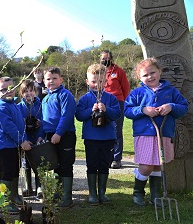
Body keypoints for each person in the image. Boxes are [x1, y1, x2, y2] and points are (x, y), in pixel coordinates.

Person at [124, 57, 188, 206]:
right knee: (146, 165)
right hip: (144, 134)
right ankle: (138, 192)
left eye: (152, 72)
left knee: (159, 164)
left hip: (164, 133)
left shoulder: (171, 91)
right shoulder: (137, 93)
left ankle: (155, 195)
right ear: (139, 77)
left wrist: (172, 106)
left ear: (159, 72)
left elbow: (183, 108)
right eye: (145, 75)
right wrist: (143, 110)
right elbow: (127, 110)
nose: (150, 77)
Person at [75, 64, 121, 205]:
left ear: (106, 81)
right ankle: (92, 194)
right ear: (87, 81)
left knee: (104, 165)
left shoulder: (111, 98)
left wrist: (106, 109)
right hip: (91, 138)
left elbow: (117, 115)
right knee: (92, 165)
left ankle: (102, 193)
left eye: (100, 81)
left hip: (108, 138)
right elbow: (79, 115)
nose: (97, 84)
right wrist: (90, 110)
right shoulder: (84, 99)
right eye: (94, 81)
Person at [0, 77, 32, 213]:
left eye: (10, 89)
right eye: (3, 90)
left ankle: (14, 196)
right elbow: (9, 128)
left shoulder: (13, 104)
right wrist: (21, 141)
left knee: (15, 170)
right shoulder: (0, 106)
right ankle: (4, 202)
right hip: (6, 146)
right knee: (7, 172)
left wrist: (24, 140)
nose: (8, 92)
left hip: (15, 145)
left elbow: (20, 125)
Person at [42, 67, 76, 208]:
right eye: (48, 79)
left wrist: (59, 133)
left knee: (66, 165)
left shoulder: (65, 95)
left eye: (54, 78)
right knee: (56, 165)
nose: (52, 81)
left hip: (64, 135)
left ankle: (67, 198)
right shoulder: (45, 98)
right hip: (50, 136)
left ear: (61, 79)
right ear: (44, 82)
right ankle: (58, 192)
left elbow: (66, 116)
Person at [100, 50, 130, 169]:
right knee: (103, 128)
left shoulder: (119, 71)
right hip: (102, 102)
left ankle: (116, 159)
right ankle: (106, 157)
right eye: (102, 58)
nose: (104, 60)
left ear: (111, 59)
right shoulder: (99, 71)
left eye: (106, 58)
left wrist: (121, 100)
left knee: (117, 130)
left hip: (117, 102)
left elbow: (126, 88)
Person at [17, 79, 44, 198]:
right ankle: (28, 186)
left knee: (38, 163)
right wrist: (24, 139)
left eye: (31, 91)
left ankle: (39, 186)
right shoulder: (18, 107)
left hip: (38, 137)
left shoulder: (41, 105)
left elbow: (45, 121)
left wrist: (40, 136)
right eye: (25, 91)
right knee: (26, 163)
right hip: (26, 138)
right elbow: (18, 125)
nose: (29, 93)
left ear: (36, 92)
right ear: (21, 93)